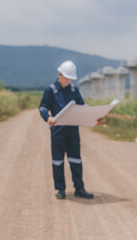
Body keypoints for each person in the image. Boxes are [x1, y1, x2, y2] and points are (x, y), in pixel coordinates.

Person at [38, 60, 94, 200]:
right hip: (58, 131)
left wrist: (94, 114)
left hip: (73, 130)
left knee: (76, 159)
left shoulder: (74, 90)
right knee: (58, 160)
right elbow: (43, 107)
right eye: (66, 78)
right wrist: (47, 117)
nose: (68, 81)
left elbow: (82, 106)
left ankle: (79, 188)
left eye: (70, 78)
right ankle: (61, 189)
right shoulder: (51, 90)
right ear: (59, 75)